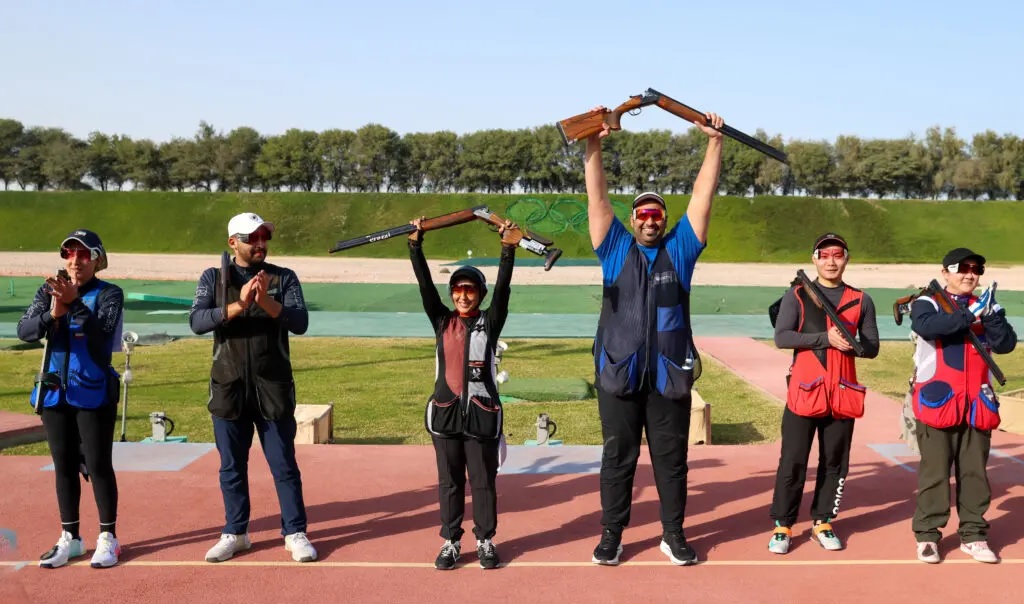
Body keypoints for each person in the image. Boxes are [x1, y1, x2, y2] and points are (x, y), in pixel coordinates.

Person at [582, 108, 724, 566]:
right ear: (632, 218)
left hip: (668, 378)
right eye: (642, 213)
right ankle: (612, 536)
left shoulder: (680, 251)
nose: (648, 220)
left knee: (671, 462)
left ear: (664, 220)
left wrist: (714, 143)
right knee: (617, 461)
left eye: (656, 213)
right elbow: (596, 197)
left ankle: (673, 535)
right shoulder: (615, 246)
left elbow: (702, 197)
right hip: (620, 374)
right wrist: (593, 143)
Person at [189, 212, 317, 564]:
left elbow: (301, 322)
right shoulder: (213, 277)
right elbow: (197, 321)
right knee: (231, 467)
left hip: (272, 388)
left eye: (264, 237)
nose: (260, 243)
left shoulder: (283, 277)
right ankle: (236, 532)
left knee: (284, 466)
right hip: (229, 389)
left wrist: (264, 302)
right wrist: (239, 304)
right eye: (252, 238)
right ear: (233, 243)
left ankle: (295, 531)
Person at [407, 214, 518, 570]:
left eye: (470, 289)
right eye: (458, 289)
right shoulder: (442, 321)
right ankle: (451, 541)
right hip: (446, 412)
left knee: (483, 482)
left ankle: (485, 539)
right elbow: (425, 286)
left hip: (482, 414)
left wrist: (507, 249)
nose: (463, 295)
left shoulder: (491, 320)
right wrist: (415, 246)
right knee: (450, 482)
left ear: (480, 294)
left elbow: (504, 288)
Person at [17, 229, 125, 569]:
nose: (75, 261)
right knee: (63, 465)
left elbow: (102, 339)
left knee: (97, 464)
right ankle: (71, 537)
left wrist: (74, 303)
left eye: (83, 255)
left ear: (96, 259)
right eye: (70, 254)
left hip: (93, 391)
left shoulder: (109, 294)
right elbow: (25, 330)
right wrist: (54, 313)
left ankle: (108, 537)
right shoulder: (47, 290)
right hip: (53, 392)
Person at [767, 233, 880, 554]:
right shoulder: (799, 295)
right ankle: (783, 525)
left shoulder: (861, 299)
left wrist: (855, 345)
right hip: (805, 391)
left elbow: (871, 346)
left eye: (838, 254)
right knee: (792, 462)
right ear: (814, 258)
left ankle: (823, 521)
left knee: (835, 463)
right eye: (824, 254)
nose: (831, 261)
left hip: (843, 394)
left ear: (847, 258)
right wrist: (824, 339)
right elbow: (783, 337)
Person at [909, 248, 1016, 564]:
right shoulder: (926, 303)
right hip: (938, 401)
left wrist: (992, 315)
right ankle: (928, 536)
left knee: (975, 475)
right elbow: (930, 328)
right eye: (963, 268)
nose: (970, 274)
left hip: (977, 404)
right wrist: (971, 314)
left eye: (977, 269)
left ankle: (974, 535)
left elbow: (1006, 344)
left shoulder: (985, 305)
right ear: (945, 272)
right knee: (935, 474)